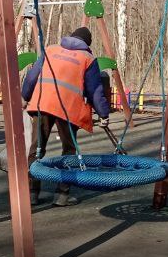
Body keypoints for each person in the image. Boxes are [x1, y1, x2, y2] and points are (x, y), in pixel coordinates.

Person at [22, 27, 111, 206]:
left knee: (37, 148)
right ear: (87, 44)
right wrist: (103, 114)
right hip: (68, 108)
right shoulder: (87, 58)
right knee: (69, 150)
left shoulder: (51, 50)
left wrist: (25, 96)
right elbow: (95, 90)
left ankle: (31, 193)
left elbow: (32, 76)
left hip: (43, 103)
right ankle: (62, 195)